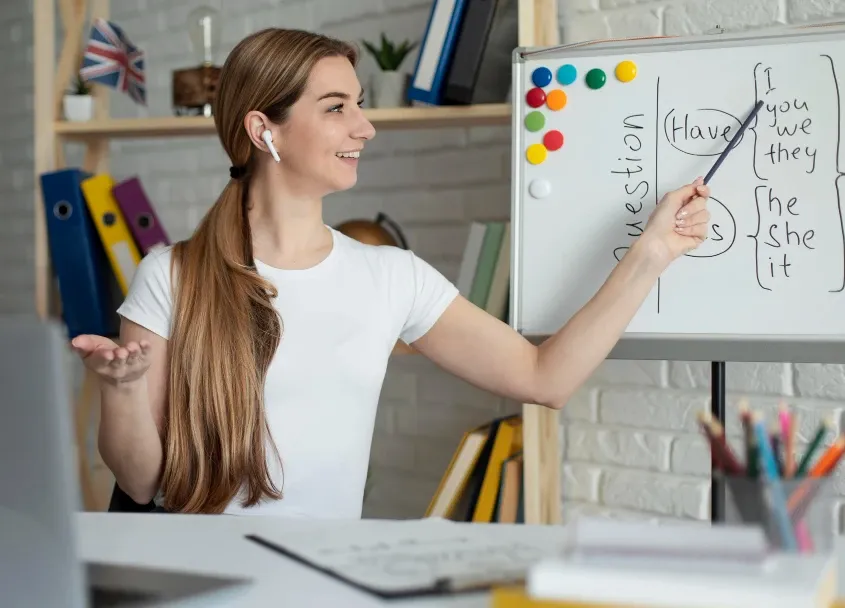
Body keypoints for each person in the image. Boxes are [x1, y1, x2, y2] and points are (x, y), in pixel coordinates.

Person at [70, 28, 711, 517]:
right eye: (335, 107)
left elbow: (546, 378)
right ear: (263, 130)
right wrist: (121, 390)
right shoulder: (172, 275)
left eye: (360, 104)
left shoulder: (391, 277)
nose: (365, 127)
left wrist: (652, 253)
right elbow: (143, 480)